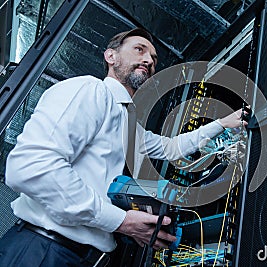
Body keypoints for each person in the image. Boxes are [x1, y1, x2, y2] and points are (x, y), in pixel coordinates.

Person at [0, 28, 247, 266]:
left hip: (78, 256)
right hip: (42, 250)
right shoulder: (90, 90)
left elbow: (171, 148)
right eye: (139, 49)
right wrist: (121, 221)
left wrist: (223, 123)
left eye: (153, 57)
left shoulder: (127, 121)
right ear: (111, 56)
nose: (148, 59)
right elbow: (30, 168)